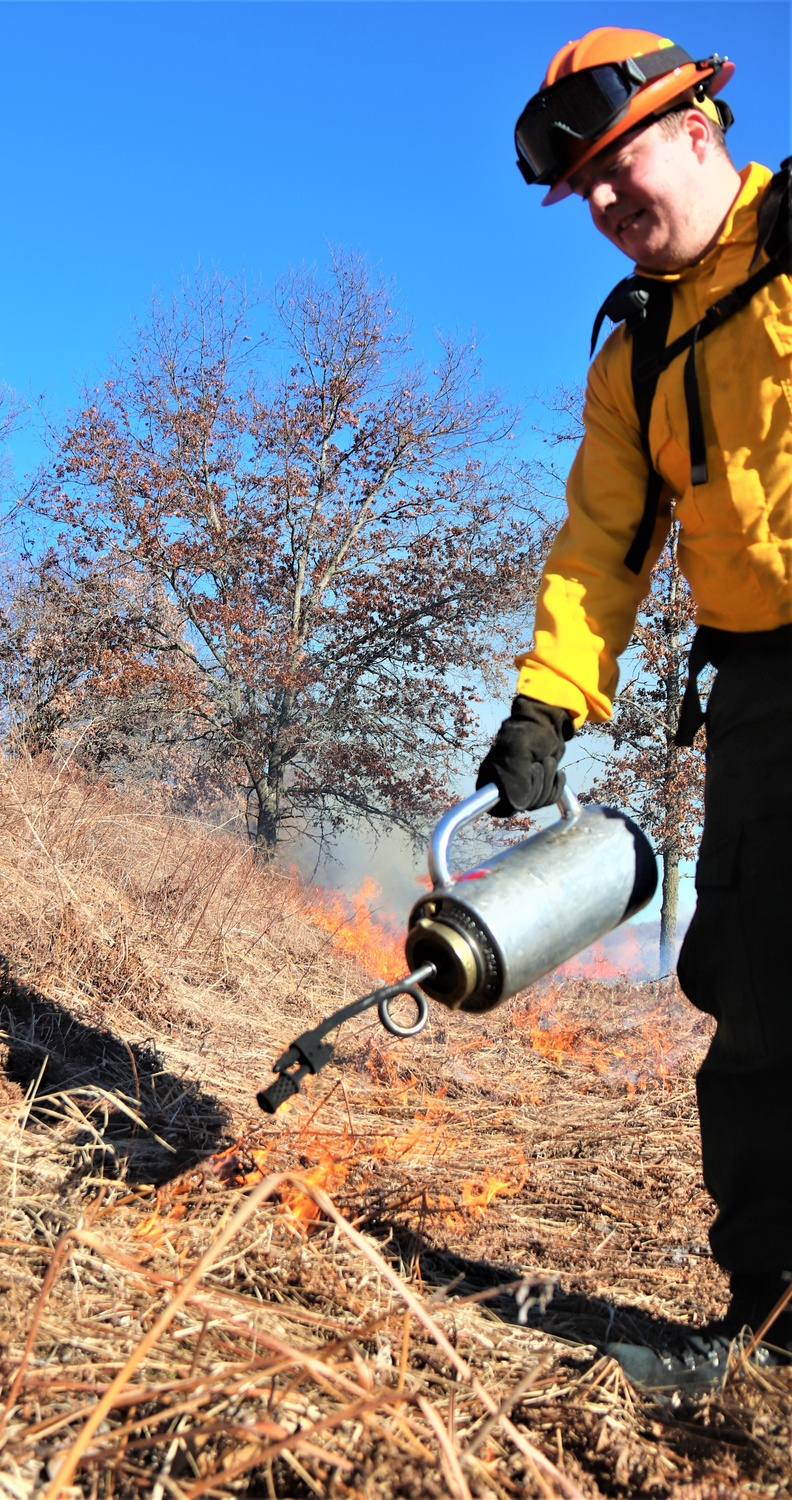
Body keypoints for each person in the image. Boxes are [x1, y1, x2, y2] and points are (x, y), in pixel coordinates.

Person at [477, 26, 791, 1385]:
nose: (606, 207)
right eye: (584, 193)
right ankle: (774, 1334)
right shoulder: (638, 350)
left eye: (622, 168)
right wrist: (546, 708)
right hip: (768, 696)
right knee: (761, 1000)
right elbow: (602, 545)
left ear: (703, 130)